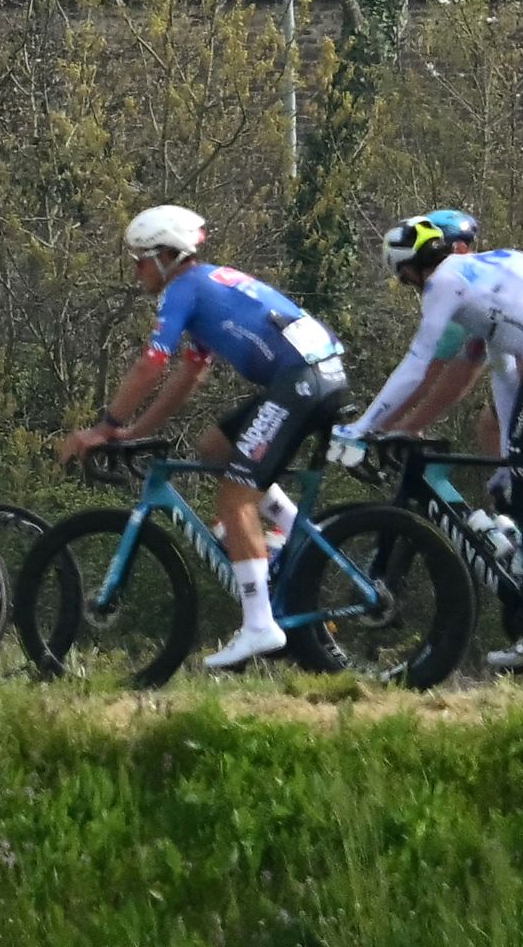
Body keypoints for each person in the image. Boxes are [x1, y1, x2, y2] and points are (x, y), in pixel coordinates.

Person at [58, 205, 345, 674]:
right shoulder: (208, 285)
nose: (136, 271)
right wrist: (135, 432)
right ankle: (292, 539)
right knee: (214, 448)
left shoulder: (183, 290)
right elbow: (189, 374)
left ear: (168, 255)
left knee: (234, 497)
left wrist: (105, 426)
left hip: (300, 382)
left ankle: (259, 625)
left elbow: (152, 364)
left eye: (140, 259)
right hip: (309, 376)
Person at [350, 209, 523, 664]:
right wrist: (508, 458)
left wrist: (364, 426)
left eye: (405, 278)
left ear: (417, 265)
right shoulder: (500, 268)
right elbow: (503, 376)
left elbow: (418, 363)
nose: (411, 287)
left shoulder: (443, 284)